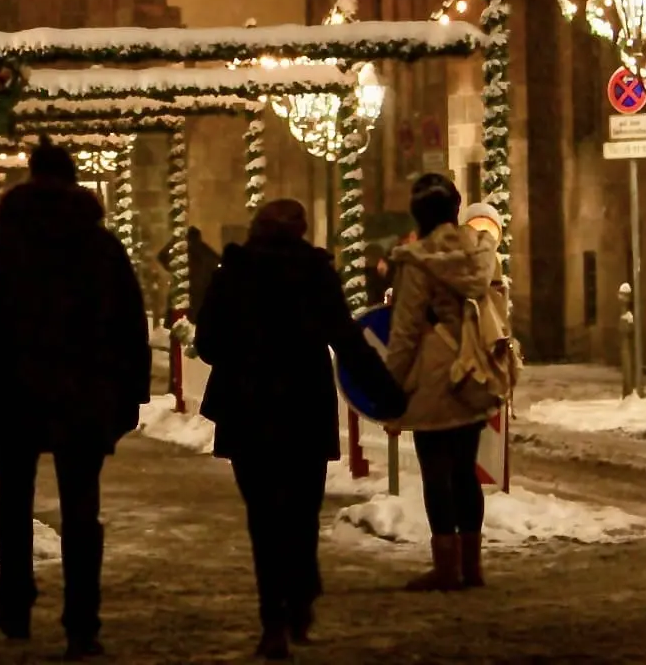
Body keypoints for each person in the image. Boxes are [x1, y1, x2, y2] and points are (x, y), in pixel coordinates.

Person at [0, 137, 150, 661]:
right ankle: (82, 623)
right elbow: (128, 324)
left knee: (13, 500)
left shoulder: (1, 244)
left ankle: (16, 599)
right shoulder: (99, 245)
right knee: (82, 509)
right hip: (82, 396)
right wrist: (127, 395)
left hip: (10, 393)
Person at [196, 199, 406, 660]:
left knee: (264, 518)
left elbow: (207, 344)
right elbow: (348, 341)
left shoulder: (232, 273)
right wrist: (389, 395)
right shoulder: (315, 274)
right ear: (302, 232)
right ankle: (301, 598)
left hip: (248, 410)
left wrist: (244, 347)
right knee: (300, 513)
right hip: (303, 408)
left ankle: (273, 618)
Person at [384, 174, 501, 593]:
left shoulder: (417, 262)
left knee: (437, 472)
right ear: (456, 208)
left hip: (434, 377)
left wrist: (389, 391)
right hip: (474, 371)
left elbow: (405, 332)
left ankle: (445, 567)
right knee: (466, 470)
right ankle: (473, 566)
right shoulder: (481, 253)